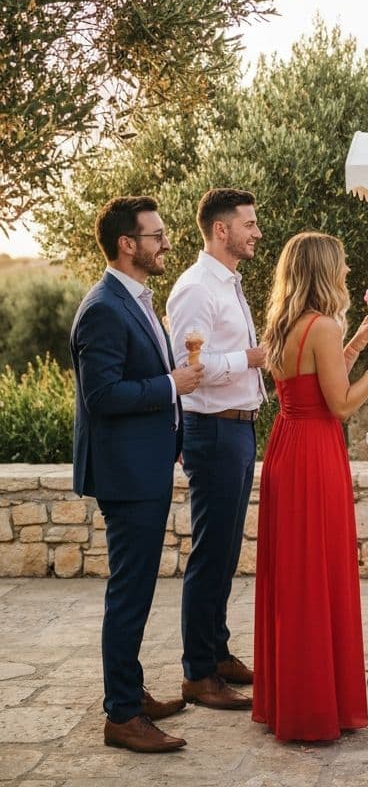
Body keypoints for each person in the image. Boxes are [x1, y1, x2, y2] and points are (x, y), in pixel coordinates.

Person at [252, 232, 368, 741]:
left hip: (286, 445)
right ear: (322, 271)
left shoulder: (287, 323)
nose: (345, 275)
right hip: (316, 450)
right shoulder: (319, 326)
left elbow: (314, 375)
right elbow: (340, 405)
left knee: (295, 573)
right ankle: (317, 705)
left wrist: (358, 343)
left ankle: (289, 698)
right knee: (318, 568)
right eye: (339, 267)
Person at [70, 196, 204, 753]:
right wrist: (172, 386)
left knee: (139, 589)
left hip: (144, 464)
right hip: (126, 474)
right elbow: (102, 396)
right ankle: (122, 715)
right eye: (156, 234)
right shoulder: (104, 307)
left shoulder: (138, 300)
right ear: (128, 244)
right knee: (129, 593)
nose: (165, 242)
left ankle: (131, 691)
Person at [167, 188, 264, 710]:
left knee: (226, 551)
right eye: (249, 224)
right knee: (210, 553)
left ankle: (218, 651)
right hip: (213, 429)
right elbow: (191, 371)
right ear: (221, 230)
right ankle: (198, 673)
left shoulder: (229, 284)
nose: (257, 233)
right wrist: (251, 357)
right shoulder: (194, 289)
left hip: (239, 429)